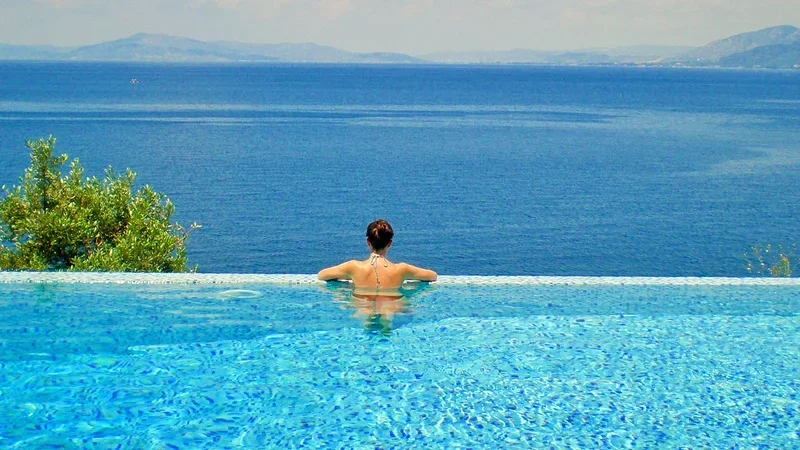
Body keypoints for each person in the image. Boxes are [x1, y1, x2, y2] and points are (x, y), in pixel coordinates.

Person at [317, 219, 437, 291]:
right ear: (389, 243)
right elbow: (432, 276)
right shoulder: (402, 270)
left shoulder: (353, 267)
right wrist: (405, 277)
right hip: (392, 309)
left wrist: (350, 276)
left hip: (362, 310)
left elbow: (322, 275)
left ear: (368, 242)